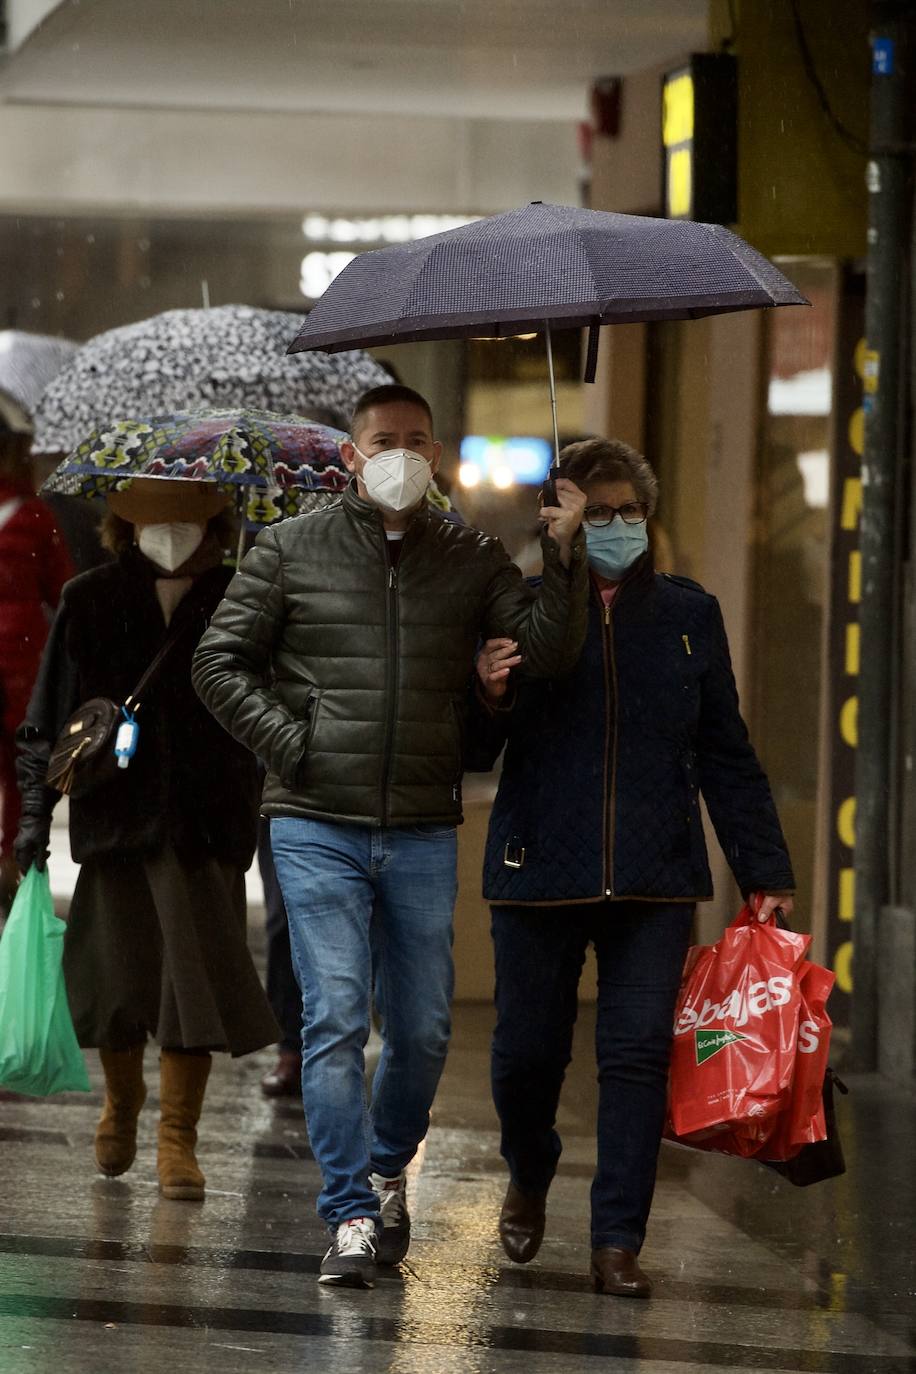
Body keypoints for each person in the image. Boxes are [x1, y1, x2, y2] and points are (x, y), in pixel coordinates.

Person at [192, 383, 588, 1288]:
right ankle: (351, 1215)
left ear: (438, 451)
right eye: (384, 440)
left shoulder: (472, 556)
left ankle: (385, 1167)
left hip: (417, 824)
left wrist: (559, 553)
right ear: (352, 456)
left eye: (417, 438)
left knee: (423, 1026)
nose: (401, 453)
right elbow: (218, 663)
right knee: (332, 1016)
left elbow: (548, 652)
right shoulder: (291, 551)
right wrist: (295, 743)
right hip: (312, 823)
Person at [469, 437, 795, 1299]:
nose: (617, 526)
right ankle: (530, 1172)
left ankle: (617, 1238)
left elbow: (727, 751)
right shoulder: (524, 604)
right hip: (537, 868)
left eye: (630, 512)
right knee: (525, 1056)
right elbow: (476, 745)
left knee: (638, 1056)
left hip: (655, 876)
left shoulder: (690, 613)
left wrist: (764, 869)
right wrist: (492, 692)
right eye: (597, 511)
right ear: (560, 516)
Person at [15, 477, 278, 1199]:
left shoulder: (246, 595)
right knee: (118, 981)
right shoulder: (90, 598)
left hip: (206, 819)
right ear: (124, 519)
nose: (170, 526)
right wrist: (34, 825)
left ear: (217, 516)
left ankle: (177, 1139)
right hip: (115, 818)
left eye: (187, 510)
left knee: (190, 985)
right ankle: (122, 1105)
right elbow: (45, 718)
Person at [0, 427, 74, 915]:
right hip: (19, 665)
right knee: (21, 771)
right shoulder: (33, 515)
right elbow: (63, 589)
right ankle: (11, 866)